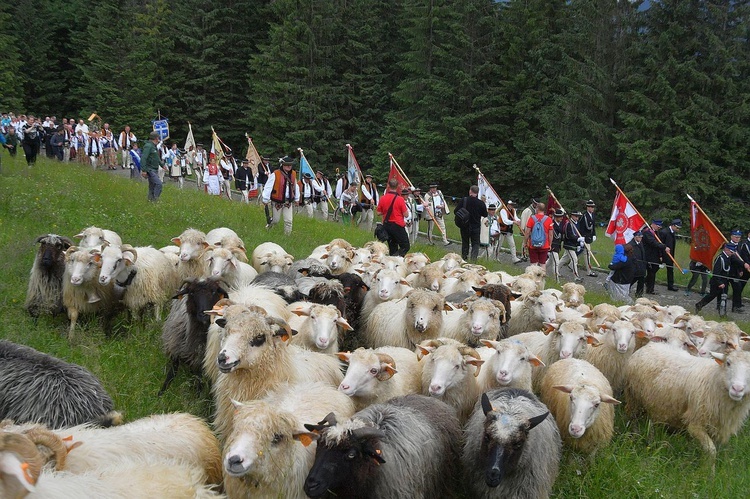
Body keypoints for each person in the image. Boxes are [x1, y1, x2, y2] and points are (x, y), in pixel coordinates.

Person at [262, 155, 300, 235]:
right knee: (276, 220)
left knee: (289, 221)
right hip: (277, 202)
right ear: (282, 165)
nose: (289, 166)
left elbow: (295, 186)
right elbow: (268, 187)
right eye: (287, 164)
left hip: (288, 202)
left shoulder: (293, 174)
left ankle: (287, 237)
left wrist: (297, 198)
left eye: (290, 165)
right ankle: (268, 228)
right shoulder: (275, 174)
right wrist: (265, 199)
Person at [696, 243, 737, 315]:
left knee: (723, 298)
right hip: (717, 282)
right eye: (731, 252)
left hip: (724, 282)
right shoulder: (720, 258)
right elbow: (716, 273)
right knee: (711, 295)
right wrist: (719, 283)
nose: (732, 253)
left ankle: (722, 313)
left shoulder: (728, 258)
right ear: (726, 249)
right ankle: (699, 304)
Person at [376, 178, 410, 257]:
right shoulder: (400, 199)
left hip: (387, 224)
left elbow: (378, 212)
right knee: (405, 246)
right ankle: (395, 259)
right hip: (397, 224)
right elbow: (406, 215)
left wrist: (386, 211)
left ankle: (392, 259)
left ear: (388, 186)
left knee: (392, 246)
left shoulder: (383, 198)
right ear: (397, 186)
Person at [457, 185, 488, 262]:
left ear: (470, 191)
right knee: (475, 244)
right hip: (476, 226)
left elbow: (456, 211)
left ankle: (464, 258)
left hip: (464, 225)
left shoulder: (464, 200)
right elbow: (485, 214)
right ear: (477, 193)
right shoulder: (481, 203)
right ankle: (473, 260)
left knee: (465, 242)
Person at [642, 219, 669, 294]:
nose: (659, 227)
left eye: (660, 226)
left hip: (655, 255)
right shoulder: (647, 232)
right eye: (658, 226)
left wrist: (660, 254)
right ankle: (649, 289)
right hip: (648, 255)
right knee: (651, 273)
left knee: (653, 271)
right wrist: (664, 247)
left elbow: (658, 242)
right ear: (653, 224)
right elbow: (653, 242)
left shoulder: (657, 232)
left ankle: (647, 283)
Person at [728, 229, 750, 313]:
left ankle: (736, 306)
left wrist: (741, 270)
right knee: (716, 292)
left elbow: (740, 256)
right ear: (732, 236)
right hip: (729, 270)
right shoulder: (728, 245)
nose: (737, 239)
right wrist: (744, 264)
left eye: (739, 237)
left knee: (738, 288)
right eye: (736, 237)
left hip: (737, 271)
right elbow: (734, 258)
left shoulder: (739, 245)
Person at [140, 131, 166, 201]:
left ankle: (150, 200)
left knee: (152, 186)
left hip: (154, 169)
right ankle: (155, 199)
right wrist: (144, 170)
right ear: (156, 138)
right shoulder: (148, 146)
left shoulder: (153, 147)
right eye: (158, 138)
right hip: (150, 169)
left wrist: (162, 165)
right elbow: (143, 158)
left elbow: (156, 157)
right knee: (159, 184)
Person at [559, 211, 584, 281]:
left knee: (564, 259)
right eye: (576, 216)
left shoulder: (577, 224)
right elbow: (568, 235)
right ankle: (576, 277)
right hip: (569, 245)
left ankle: (556, 270)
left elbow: (578, 233)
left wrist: (579, 243)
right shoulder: (568, 224)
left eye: (578, 217)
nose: (577, 218)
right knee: (574, 259)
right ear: (572, 216)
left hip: (574, 245)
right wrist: (578, 239)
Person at [658, 218, 682, 291]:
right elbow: (660, 244)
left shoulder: (672, 233)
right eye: (677, 228)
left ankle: (670, 286)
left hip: (670, 255)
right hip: (663, 254)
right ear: (673, 226)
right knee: (655, 269)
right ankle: (647, 281)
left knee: (670, 270)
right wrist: (660, 255)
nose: (678, 229)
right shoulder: (664, 232)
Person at [546, 209, 566, 283]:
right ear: (556, 217)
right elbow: (553, 235)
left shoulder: (560, 223)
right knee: (556, 262)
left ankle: (540, 269)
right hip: (553, 245)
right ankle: (556, 280)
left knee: (549, 262)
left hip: (558, 245)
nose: (561, 218)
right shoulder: (552, 224)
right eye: (560, 216)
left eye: (562, 216)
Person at [579, 199, 598, 277]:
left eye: (593, 207)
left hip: (589, 237)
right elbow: (581, 227)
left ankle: (570, 264)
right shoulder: (584, 216)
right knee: (587, 254)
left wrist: (594, 234)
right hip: (584, 237)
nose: (592, 208)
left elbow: (593, 226)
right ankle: (589, 271)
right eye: (591, 207)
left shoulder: (592, 215)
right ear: (587, 207)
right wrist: (582, 237)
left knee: (577, 253)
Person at [628, 230, 647, 297]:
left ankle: (639, 294)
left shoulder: (640, 243)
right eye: (639, 237)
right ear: (635, 237)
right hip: (635, 266)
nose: (640, 239)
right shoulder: (631, 244)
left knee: (641, 281)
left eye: (641, 237)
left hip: (642, 266)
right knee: (632, 280)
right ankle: (627, 290)